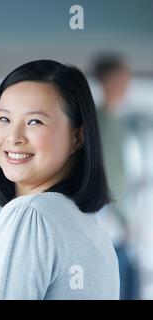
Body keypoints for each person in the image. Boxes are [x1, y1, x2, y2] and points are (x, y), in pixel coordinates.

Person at [0, 60, 119, 299]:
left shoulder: (32, 215)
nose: (14, 137)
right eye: (4, 119)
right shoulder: (92, 228)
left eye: (34, 121)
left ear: (77, 137)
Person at [93, 53, 139, 299]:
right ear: (110, 81)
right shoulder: (99, 122)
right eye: (124, 78)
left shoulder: (120, 121)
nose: (128, 84)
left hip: (119, 222)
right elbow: (106, 174)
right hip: (107, 220)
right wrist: (121, 217)